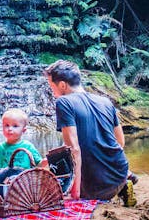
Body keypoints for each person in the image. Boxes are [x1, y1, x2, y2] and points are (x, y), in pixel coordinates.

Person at [44, 59, 134, 204]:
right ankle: (124, 183)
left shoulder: (64, 102)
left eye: (51, 86)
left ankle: (98, 189)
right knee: (55, 156)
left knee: (56, 162)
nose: (52, 92)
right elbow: (120, 142)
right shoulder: (105, 101)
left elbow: (74, 150)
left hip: (94, 187)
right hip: (119, 174)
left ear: (62, 85)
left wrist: (75, 192)